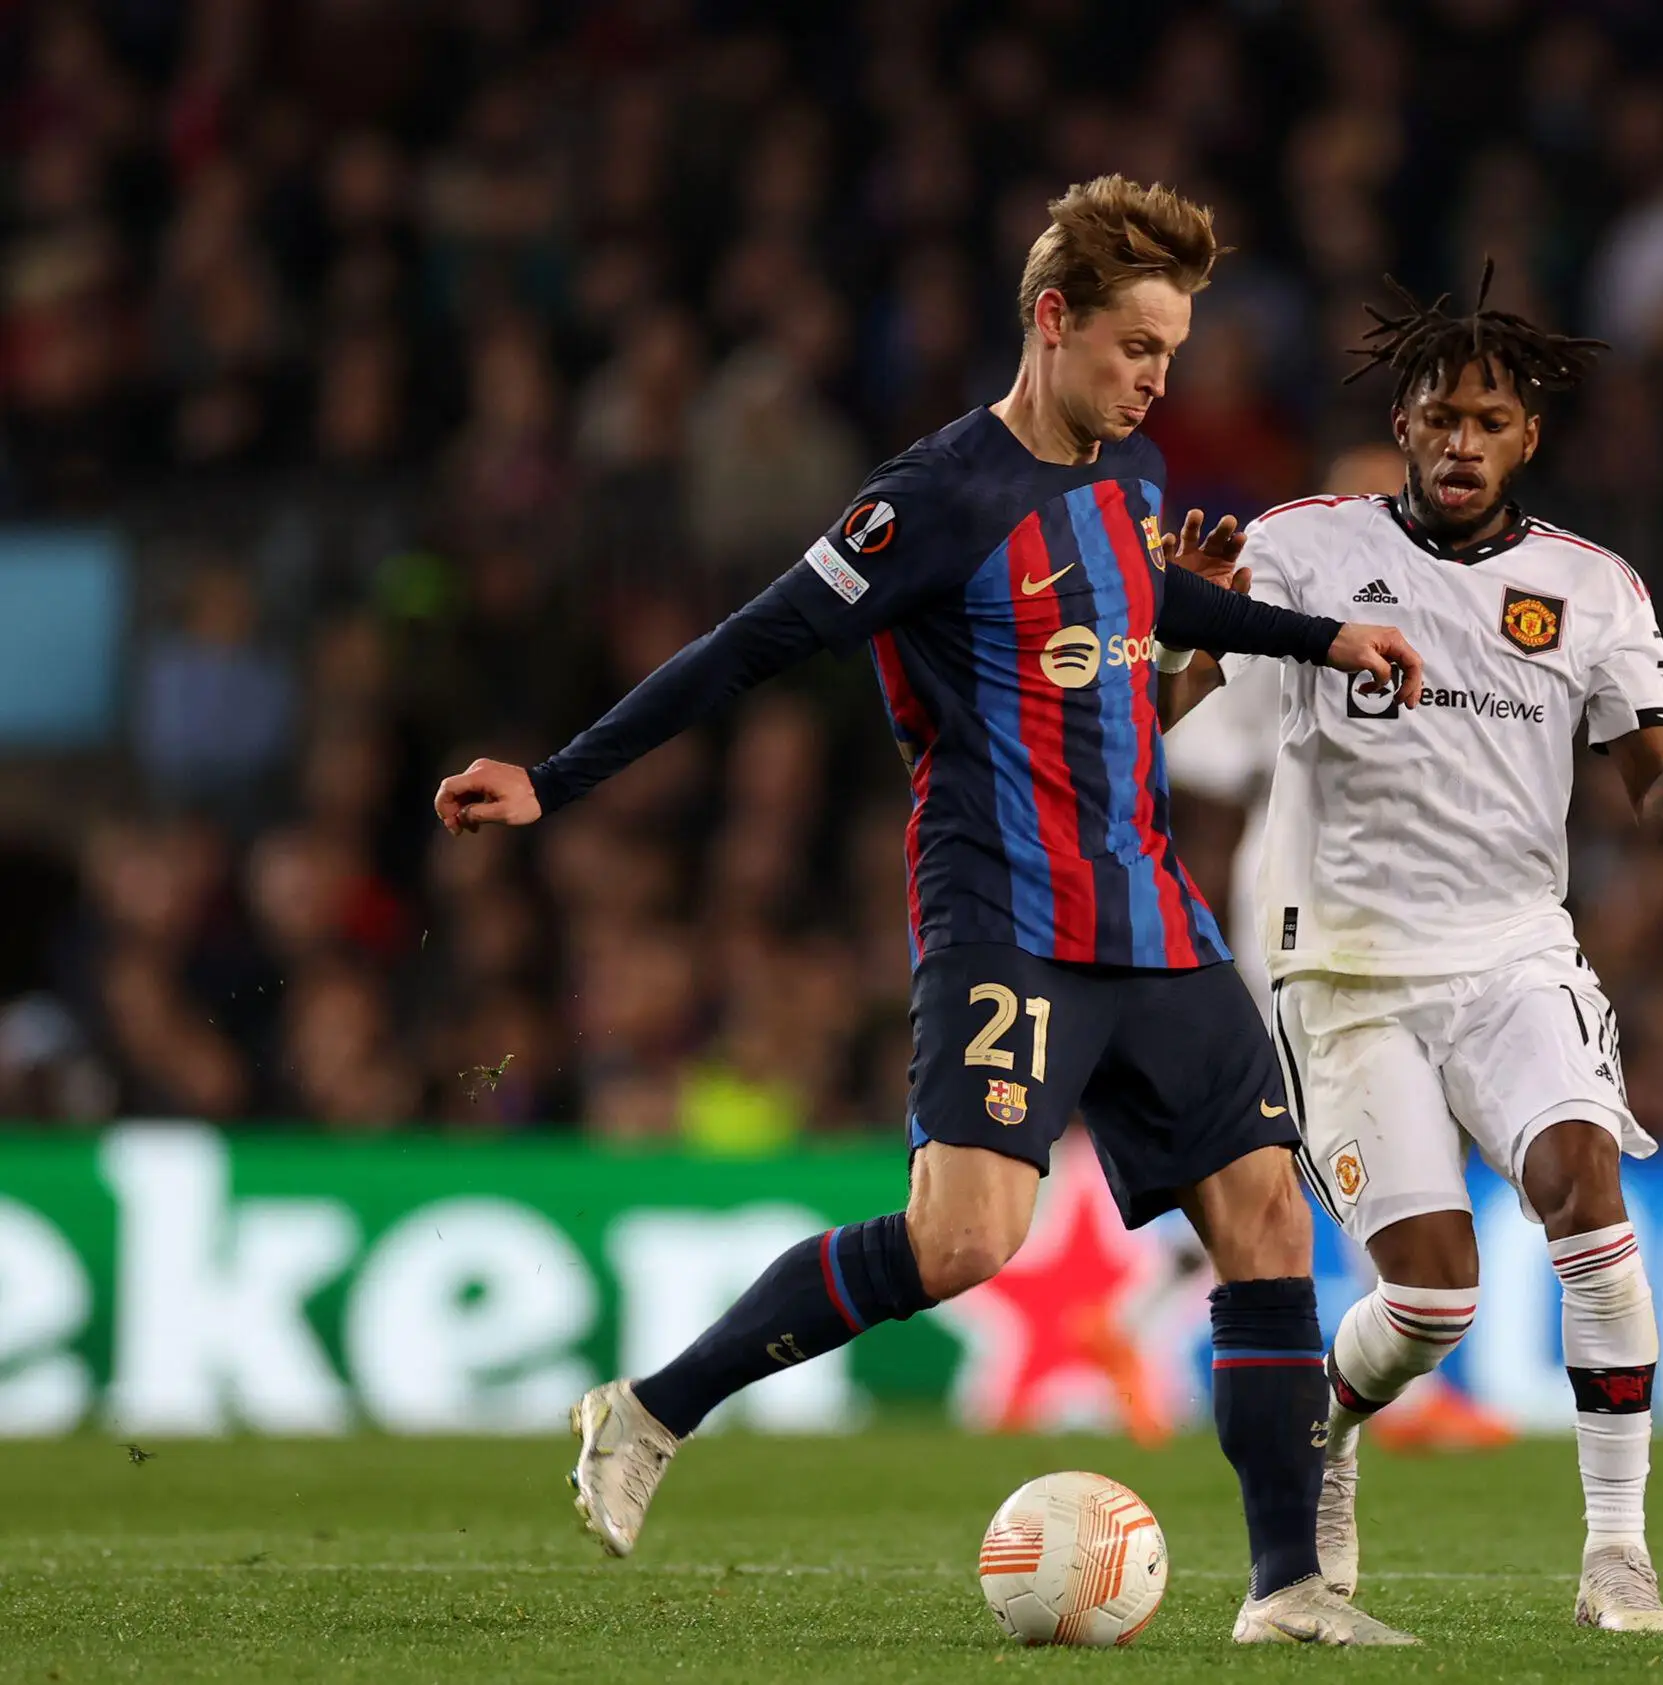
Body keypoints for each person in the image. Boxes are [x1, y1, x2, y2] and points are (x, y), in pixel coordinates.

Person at [434, 177, 1427, 1647]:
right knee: (963, 1242)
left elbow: (1152, 608)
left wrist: (1317, 633)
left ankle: (1287, 1592)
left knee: (1270, 1221)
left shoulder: (1132, 476)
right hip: (1005, 919)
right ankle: (652, 1410)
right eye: (1137, 346)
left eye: (1172, 349)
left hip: (1150, 912)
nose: (1161, 379)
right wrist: (558, 779)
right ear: (1052, 321)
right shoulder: (928, 503)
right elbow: (749, 644)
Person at [1169, 265, 1663, 1632]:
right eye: (1438, 414)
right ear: (1401, 427)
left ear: (1530, 439)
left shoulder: (1591, 591)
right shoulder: (1299, 547)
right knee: (1429, 1297)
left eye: (1488, 419)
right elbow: (1169, 720)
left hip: (1515, 958)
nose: (1460, 439)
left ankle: (1618, 1560)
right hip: (1341, 976)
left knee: (1588, 1194)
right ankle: (1323, 1427)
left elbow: (1659, 809)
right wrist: (1186, 620)